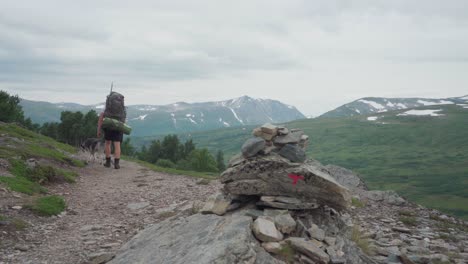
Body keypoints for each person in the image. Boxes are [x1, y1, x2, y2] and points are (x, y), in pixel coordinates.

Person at [97, 91, 126, 169]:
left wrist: (99, 129)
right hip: (118, 125)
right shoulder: (121, 104)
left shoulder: (107, 105)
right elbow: (124, 116)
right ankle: (117, 164)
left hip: (109, 125)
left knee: (108, 143)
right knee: (117, 144)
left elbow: (101, 116)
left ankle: (108, 162)